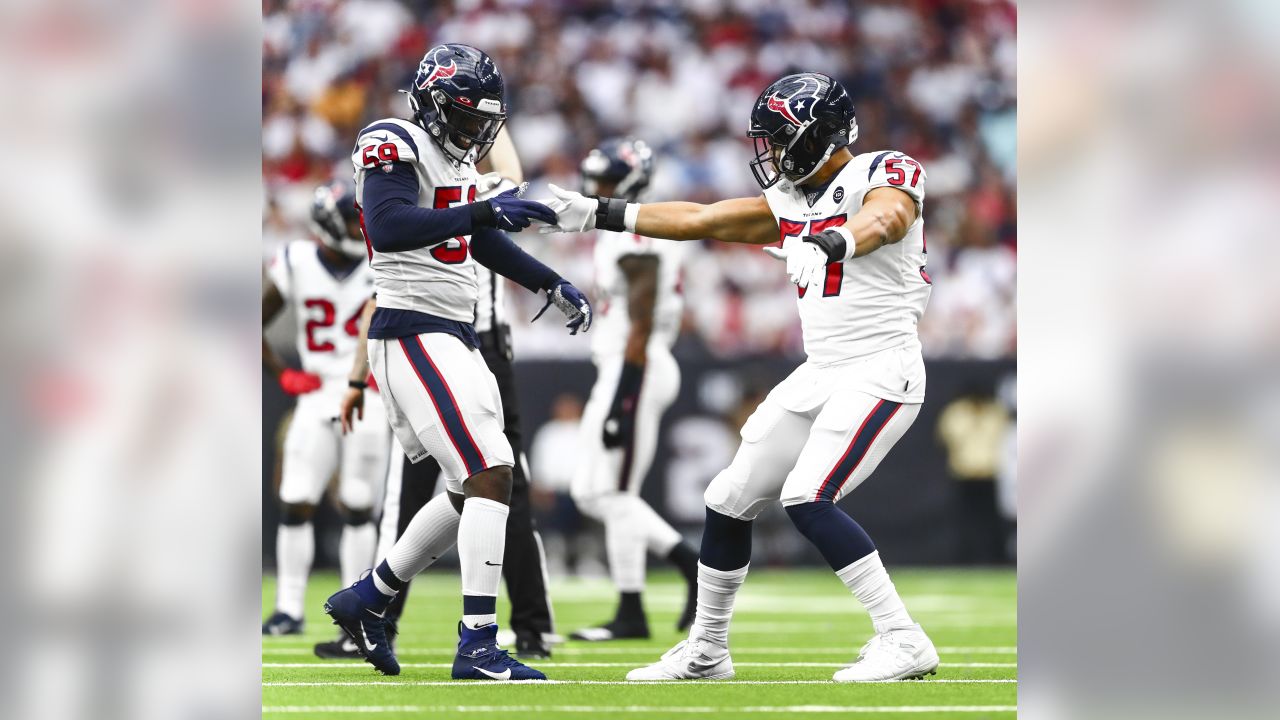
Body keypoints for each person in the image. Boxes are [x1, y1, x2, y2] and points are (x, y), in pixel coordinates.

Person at [538, 72, 939, 683]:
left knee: (807, 496)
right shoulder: (792, 201)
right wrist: (600, 212)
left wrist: (829, 244)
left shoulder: (881, 171)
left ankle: (903, 639)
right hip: (824, 369)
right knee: (726, 501)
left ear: (822, 136)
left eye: (782, 140)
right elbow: (703, 218)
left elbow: (885, 220)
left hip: (882, 367)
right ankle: (706, 651)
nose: (773, 154)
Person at [321, 44, 590, 680]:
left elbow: (478, 236)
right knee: (491, 470)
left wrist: (548, 280)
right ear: (435, 102)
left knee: (473, 488)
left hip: (454, 335)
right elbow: (388, 226)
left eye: (481, 119)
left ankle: (369, 597)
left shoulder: (456, 160)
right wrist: (480, 209)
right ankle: (476, 642)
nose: (474, 131)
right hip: (412, 331)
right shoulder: (393, 139)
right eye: (466, 116)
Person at [567, 139, 700, 641]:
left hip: (637, 367)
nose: (594, 189)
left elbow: (641, 324)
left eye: (604, 182)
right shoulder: (622, 230)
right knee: (589, 491)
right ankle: (689, 564)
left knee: (614, 492)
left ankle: (632, 609)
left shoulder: (635, 236)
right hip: (626, 365)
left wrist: (624, 396)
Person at [262, 183, 390, 637]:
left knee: (359, 504)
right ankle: (288, 608)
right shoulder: (296, 261)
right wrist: (282, 374)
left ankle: (352, 611)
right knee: (296, 499)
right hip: (317, 396)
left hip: (369, 392)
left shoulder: (382, 259)